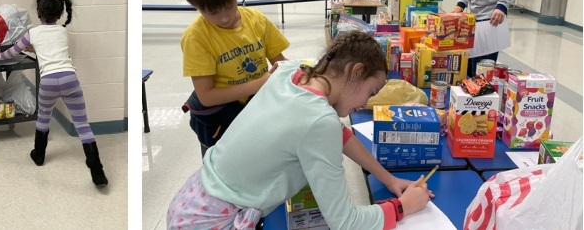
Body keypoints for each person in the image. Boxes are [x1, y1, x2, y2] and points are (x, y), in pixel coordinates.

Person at [167, 31, 434, 229]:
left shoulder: (291, 72)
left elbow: (338, 134)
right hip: (212, 222)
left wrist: (388, 179)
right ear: (356, 71)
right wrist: (403, 207)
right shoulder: (319, 121)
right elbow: (346, 222)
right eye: (370, 92)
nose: (365, 103)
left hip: (191, 200)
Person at [0, 0, 108, 187]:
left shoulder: (32, 34)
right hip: (70, 79)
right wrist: (36, 50)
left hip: (49, 83)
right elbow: (55, 51)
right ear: (60, 13)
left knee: (43, 118)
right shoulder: (63, 32)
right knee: (82, 124)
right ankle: (97, 171)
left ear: (38, 13)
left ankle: (39, 155)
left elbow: (10, 53)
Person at [179, 0, 289, 156]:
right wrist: (260, 83)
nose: (224, 17)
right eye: (212, 12)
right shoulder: (196, 37)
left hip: (256, 109)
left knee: (258, 158)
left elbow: (281, 64)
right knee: (223, 170)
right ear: (195, 6)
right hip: (220, 119)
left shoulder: (257, 20)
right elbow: (206, 97)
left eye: (229, 6)